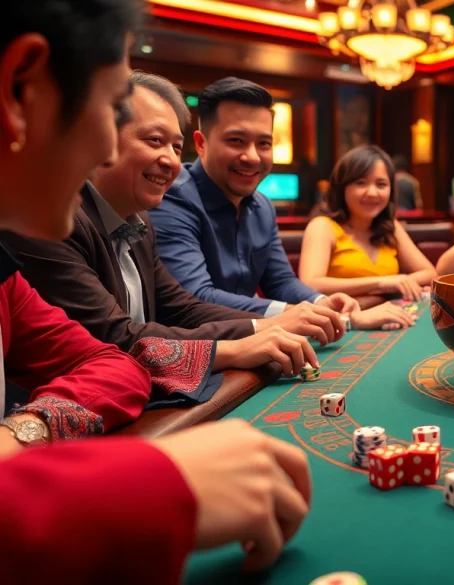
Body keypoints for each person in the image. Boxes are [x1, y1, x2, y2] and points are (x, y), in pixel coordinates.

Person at [0, 1, 311, 582]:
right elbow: (123, 342)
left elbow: (116, 364)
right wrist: (151, 483)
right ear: (22, 90)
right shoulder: (39, 233)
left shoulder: (7, 281)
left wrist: (20, 434)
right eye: (110, 106)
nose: (106, 151)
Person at [1, 71, 346, 379]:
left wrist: (269, 324)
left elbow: (181, 307)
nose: (170, 160)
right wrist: (243, 342)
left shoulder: (140, 220)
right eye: (155, 140)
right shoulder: (56, 219)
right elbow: (114, 337)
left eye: (176, 147)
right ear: (103, 138)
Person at [149, 77, 354, 317]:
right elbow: (196, 298)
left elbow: (280, 281)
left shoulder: (263, 207)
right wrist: (293, 312)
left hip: (255, 334)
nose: (253, 157)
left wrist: (320, 302)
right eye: (236, 141)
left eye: (264, 143)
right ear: (201, 144)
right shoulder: (172, 198)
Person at [298, 145, 432, 327]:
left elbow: (430, 273)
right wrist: (382, 284)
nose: (372, 192)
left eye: (381, 184)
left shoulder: (391, 227)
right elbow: (310, 284)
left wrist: (396, 285)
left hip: (387, 318)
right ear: (342, 187)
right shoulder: (323, 226)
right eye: (361, 183)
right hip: (338, 325)